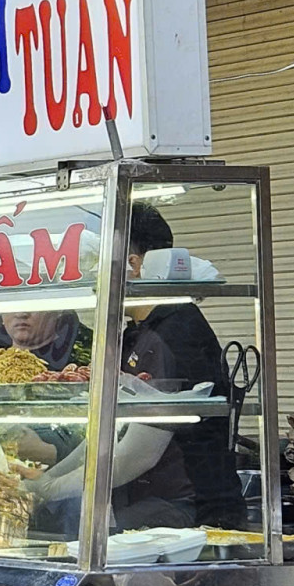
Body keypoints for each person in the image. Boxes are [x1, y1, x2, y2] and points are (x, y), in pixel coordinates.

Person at [29, 204, 246, 530]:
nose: (89, 281)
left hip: (191, 517)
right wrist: (47, 482)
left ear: (133, 266)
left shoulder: (171, 333)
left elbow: (137, 454)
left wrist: (49, 490)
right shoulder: (139, 332)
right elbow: (107, 435)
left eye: (93, 266)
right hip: (155, 508)